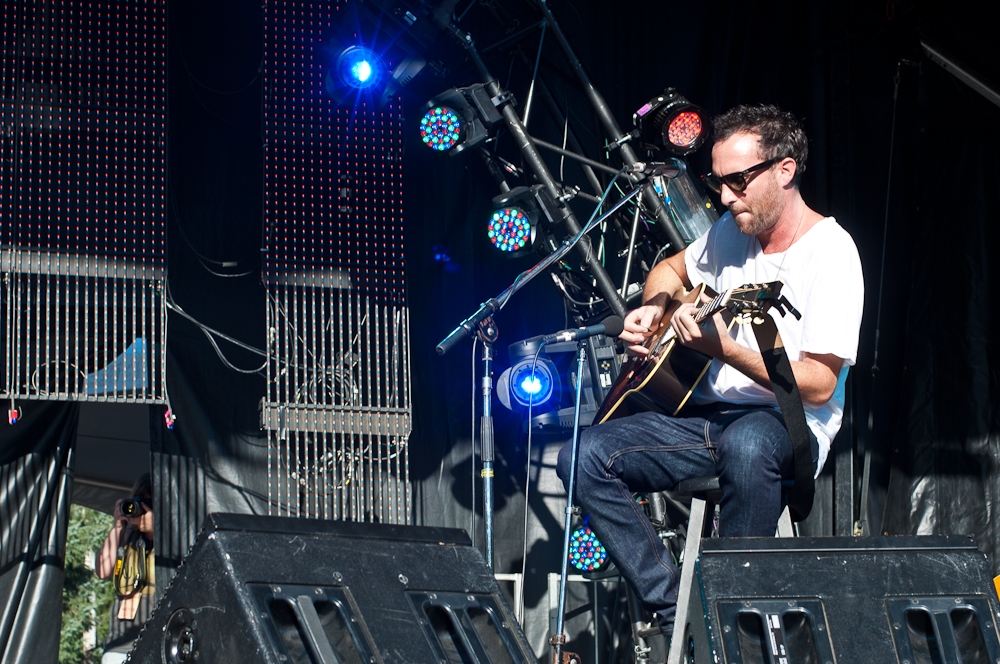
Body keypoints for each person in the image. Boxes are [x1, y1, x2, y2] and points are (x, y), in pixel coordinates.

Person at [556, 104, 864, 635]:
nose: (725, 197)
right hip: (710, 419)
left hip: (787, 426)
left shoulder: (832, 253)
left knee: (746, 445)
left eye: (739, 182)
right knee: (582, 455)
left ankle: (738, 618)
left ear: (784, 170)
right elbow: (671, 269)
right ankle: (680, 609)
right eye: (716, 182)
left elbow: (818, 384)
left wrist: (723, 348)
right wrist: (654, 304)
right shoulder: (730, 231)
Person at [97, 473, 156, 663]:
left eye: (149, 503)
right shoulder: (126, 535)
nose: (140, 509)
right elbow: (103, 570)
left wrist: (156, 531)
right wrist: (117, 527)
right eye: (139, 501)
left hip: (158, 641)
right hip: (120, 644)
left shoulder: (172, 539)